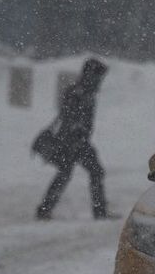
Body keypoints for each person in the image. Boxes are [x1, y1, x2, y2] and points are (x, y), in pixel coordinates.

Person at [36, 58, 116, 220]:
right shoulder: (78, 93)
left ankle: (45, 210)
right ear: (90, 75)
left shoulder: (84, 93)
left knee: (69, 173)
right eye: (98, 77)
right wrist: (76, 135)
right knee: (90, 172)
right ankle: (98, 212)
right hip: (72, 142)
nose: (100, 81)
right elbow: (69, 119)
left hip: (76, 141)